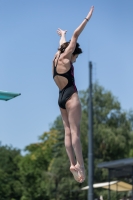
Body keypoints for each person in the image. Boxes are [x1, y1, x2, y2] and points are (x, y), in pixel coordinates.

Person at [52, 6, 94, 183]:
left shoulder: (57, 56)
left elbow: (64, 44)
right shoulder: (67, 57)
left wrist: (62, 34)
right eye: (75, 57)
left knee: (67, 132)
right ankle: (81, 165)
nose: (74, 60)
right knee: (76, 131)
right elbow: (75, 36)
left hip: (60, 98)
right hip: (70, 95)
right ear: (72, 53)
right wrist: (87, 18)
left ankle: (71, 163)